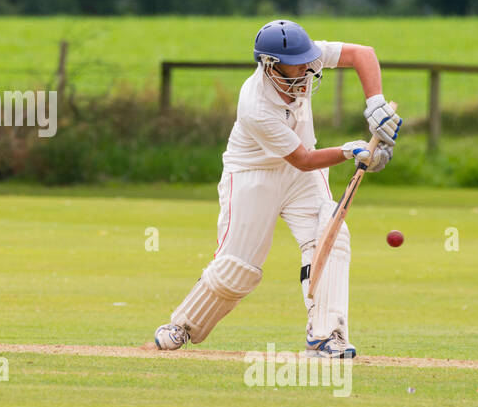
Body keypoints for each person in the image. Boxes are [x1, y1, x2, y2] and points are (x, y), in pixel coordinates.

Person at [152, 20, 402, 358]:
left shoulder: (307, 55)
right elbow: (303, 158)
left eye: (307, 59)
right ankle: (182, 325)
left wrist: (376, 104)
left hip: (302, 176)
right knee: (238, 269)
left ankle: (326, 336)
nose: (306, 68)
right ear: (271, 64)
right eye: (296, 64)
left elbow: (363, 53)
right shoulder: (255, 105)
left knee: (330, 234)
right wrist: (350, 152)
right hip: (254, 174)